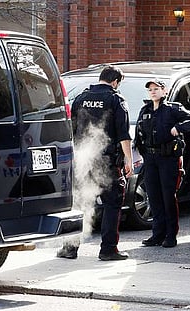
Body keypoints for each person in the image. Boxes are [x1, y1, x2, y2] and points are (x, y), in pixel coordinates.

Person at [57, 65, 133, 261]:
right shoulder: (116, 99)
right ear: (115, 82)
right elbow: (124, 135)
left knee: (81, 202)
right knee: (112, 203)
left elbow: (70, 129)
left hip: (82, 159)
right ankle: (108, 250)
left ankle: (69, 248)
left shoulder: (81, 98)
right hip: (107, 162)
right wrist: (128, 160)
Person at [134, 79, 190, 248]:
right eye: (150, 90)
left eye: (156, 89)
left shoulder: (172, 109)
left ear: (164, 91)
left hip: (168, 158)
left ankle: (170, 235)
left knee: (168, 196)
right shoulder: (145, 110)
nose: (153, 92)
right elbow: (139, 133)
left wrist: (178, 127)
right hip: (151, 158)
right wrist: (141, 151)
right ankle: (157, 234)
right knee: (153, 197)